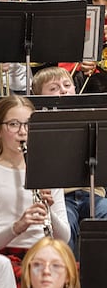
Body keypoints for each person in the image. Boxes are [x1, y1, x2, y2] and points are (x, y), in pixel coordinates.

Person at [0, 96, 70, 280]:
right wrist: (18, 226)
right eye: (14, 124)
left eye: (28, 124)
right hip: (5, 261)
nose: (23, 132)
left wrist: (49, 211)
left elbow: (64, 238)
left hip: (45, 256)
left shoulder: (49, 172)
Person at [31, 66, 107, 254]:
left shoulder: (93, 119)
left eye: (67, 85)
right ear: (39, 96)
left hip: (93, 193)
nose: (63, 90)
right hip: (61, 198)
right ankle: (67, 278)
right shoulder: (35, 126)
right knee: (64, 232)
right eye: (54, 88)